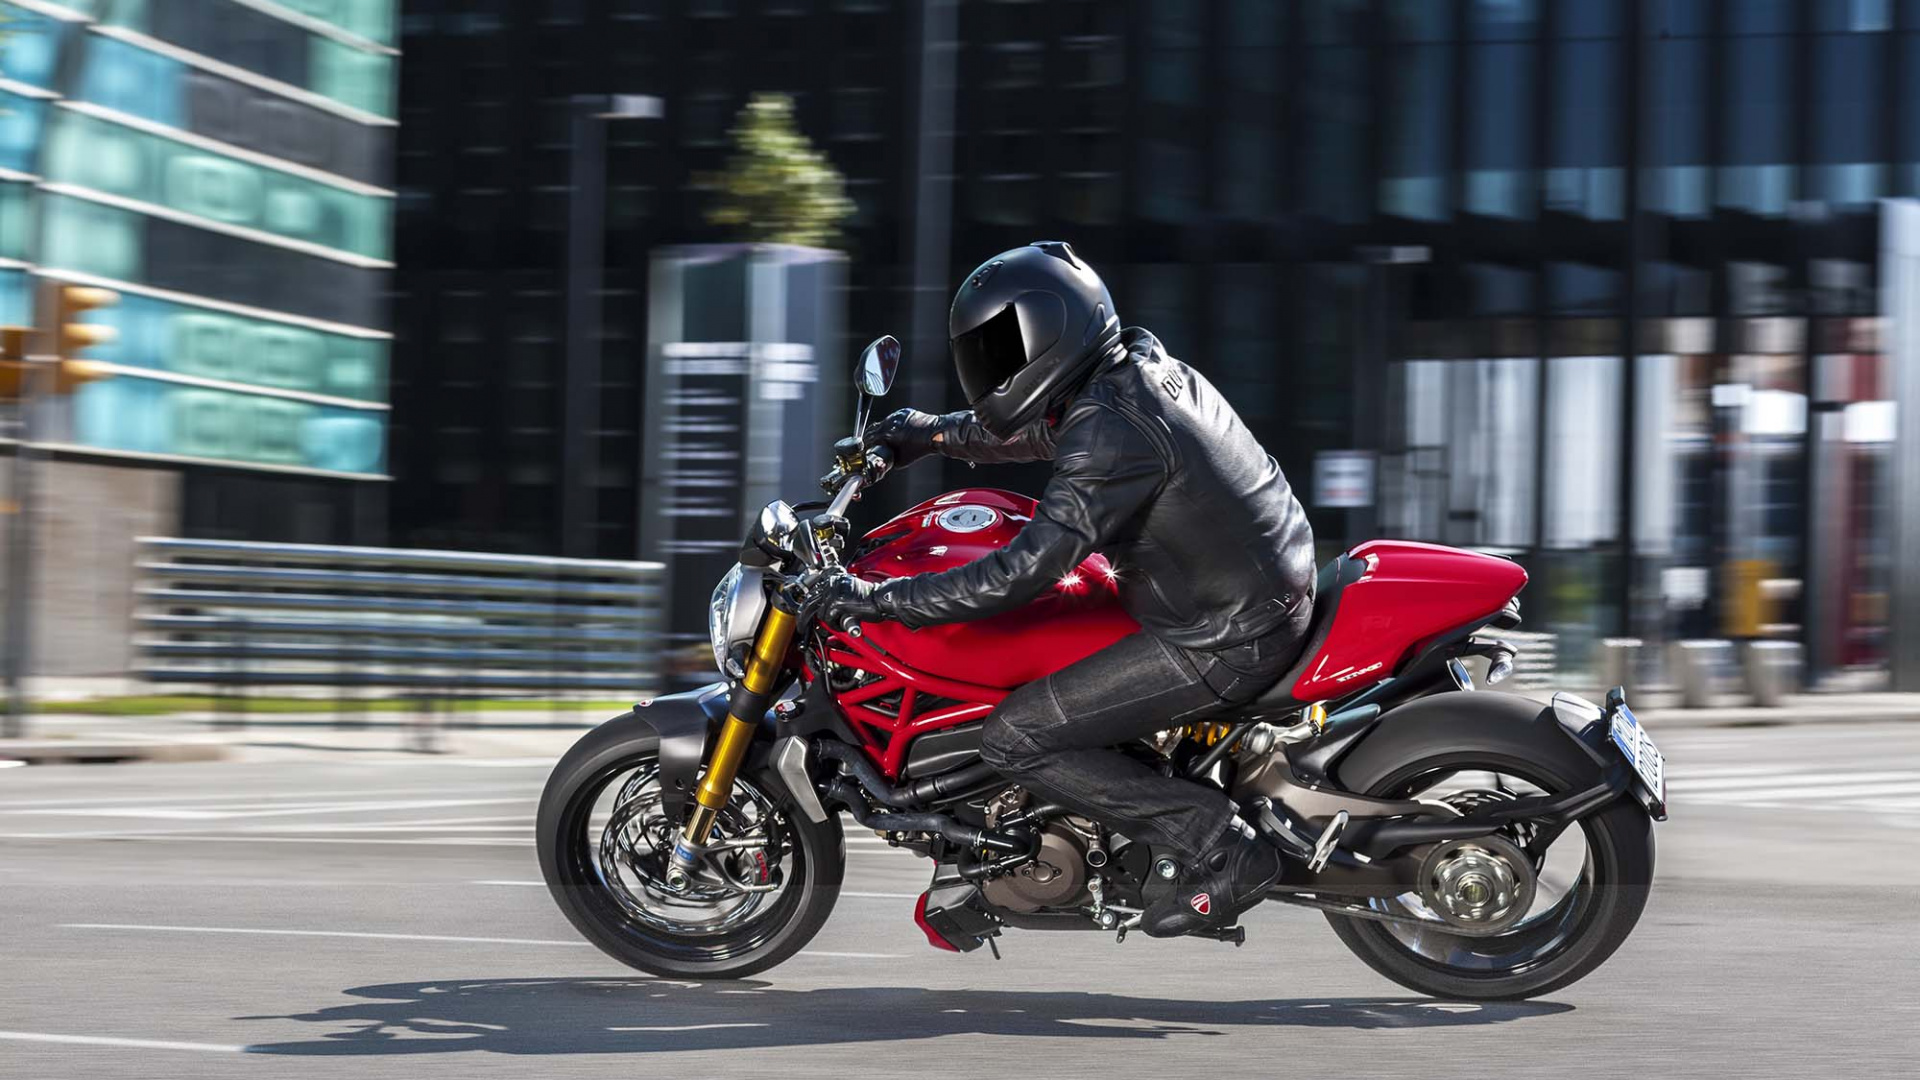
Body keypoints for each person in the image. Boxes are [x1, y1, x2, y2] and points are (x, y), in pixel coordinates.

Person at [825, 241, 1316, 939]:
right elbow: (1037, 436)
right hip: (1242, 590)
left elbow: (1020, 572)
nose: (989, 369)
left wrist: (878, 601)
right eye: (981, 354)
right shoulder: (1129, 374)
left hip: (1225, 633)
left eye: (999, 350)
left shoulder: (1113, 428)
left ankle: (1221, 845)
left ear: (1050, 332)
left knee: (1017, 736)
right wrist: (931, 435)